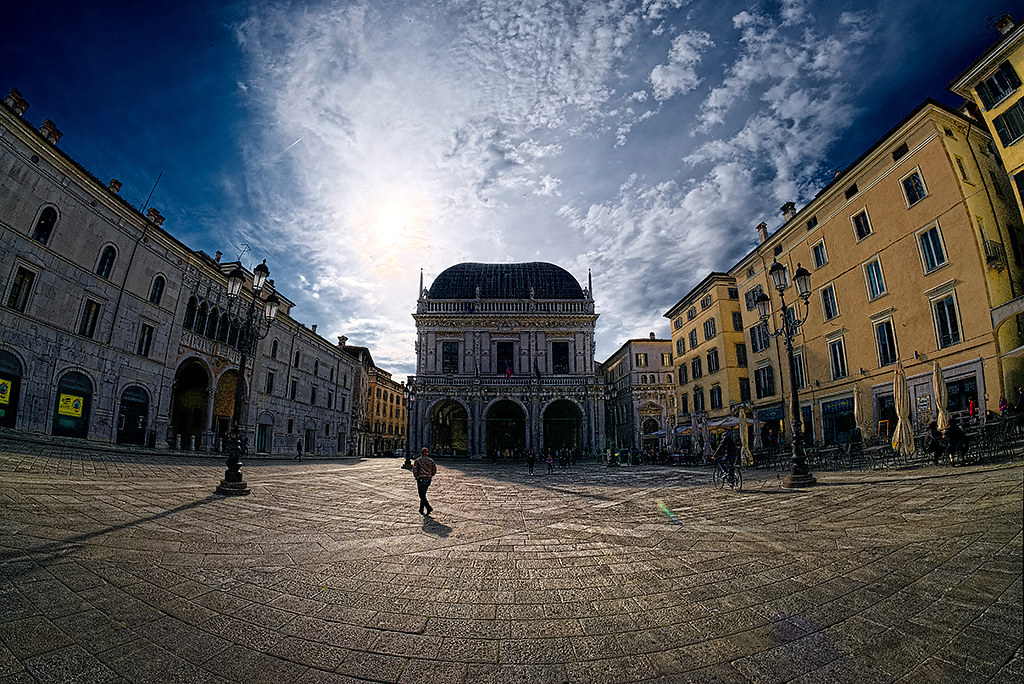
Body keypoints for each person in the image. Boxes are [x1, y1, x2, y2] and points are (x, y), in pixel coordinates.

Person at [412, 447, 437, 515]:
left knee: (422, 495)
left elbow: (415, 470)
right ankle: (421, 509)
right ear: (427, 453)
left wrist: (417, 477)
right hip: (428, 479)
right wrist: (430, 475)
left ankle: (428, 507)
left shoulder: (418, 460)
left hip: (421, 479)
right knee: (423, 494)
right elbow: (434, 470)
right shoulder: (431, 461)